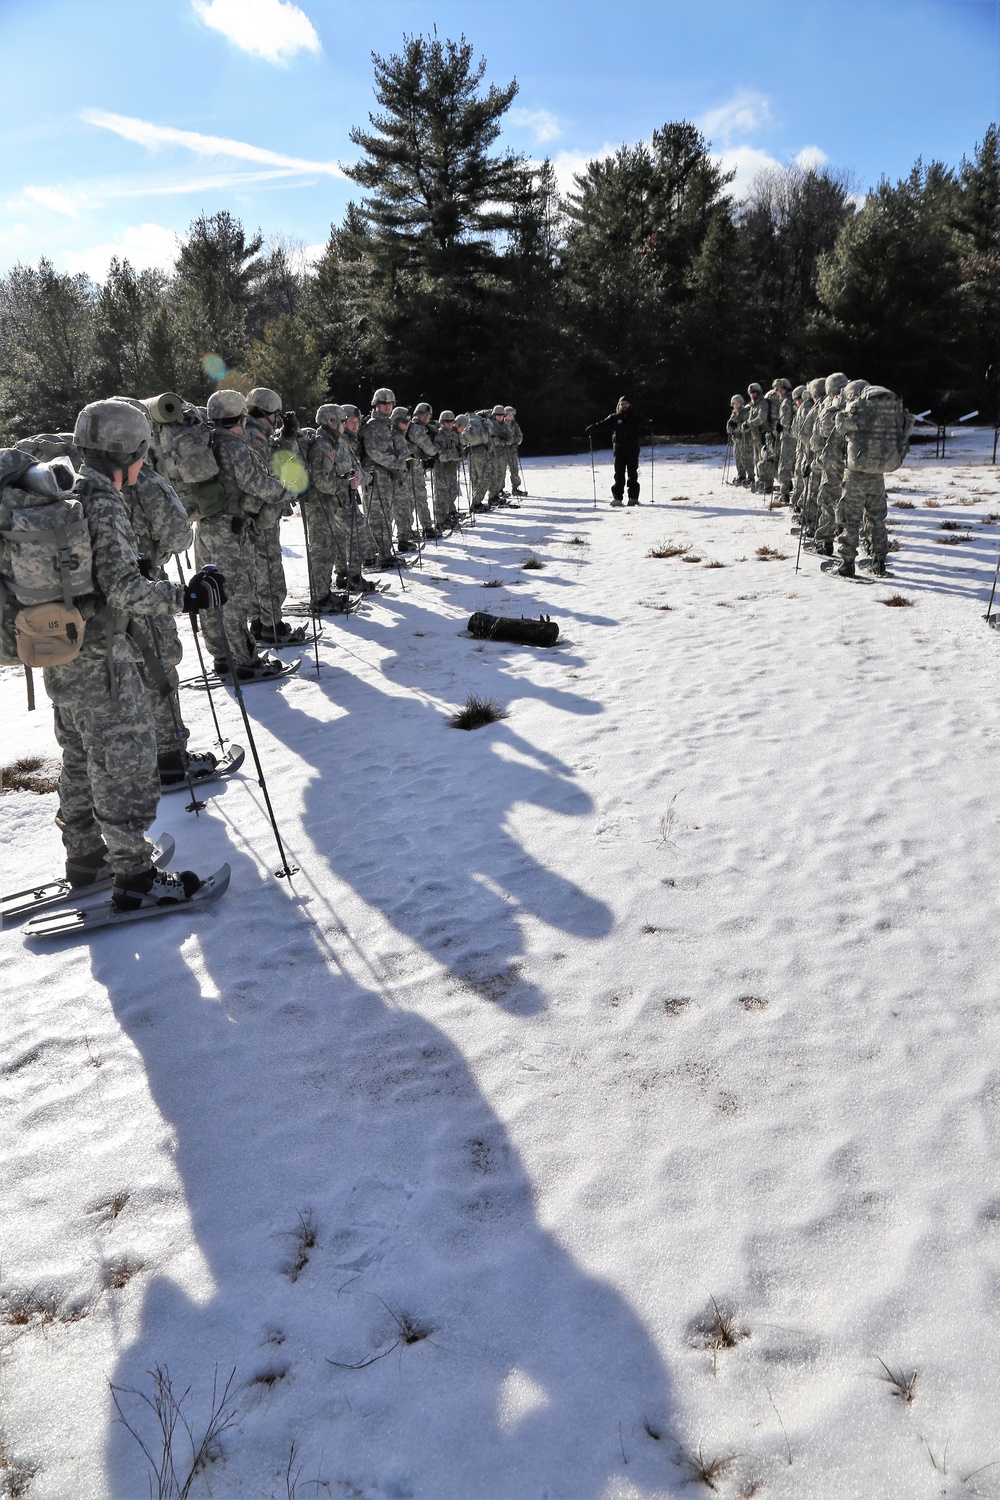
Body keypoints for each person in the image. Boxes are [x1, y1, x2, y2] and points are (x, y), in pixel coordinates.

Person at [44, 398, 215, 910]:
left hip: (62, 650)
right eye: (141, 451)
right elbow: (120, 587)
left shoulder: (69, 490)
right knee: (124, 762)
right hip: (103, 660)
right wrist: (182, 597)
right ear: (125, 452)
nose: (143, 463)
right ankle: (135, 878)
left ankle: (86, 857)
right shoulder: (102, 500)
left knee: (79, 758)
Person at [120, 450, 218, 789]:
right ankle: (170, 757)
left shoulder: (88, 480)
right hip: (145, 586)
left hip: (104, 596)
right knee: (158, 666)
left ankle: (138, 755)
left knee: (125, 670)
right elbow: (178, 536)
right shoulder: (143, 479)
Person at [196, 389, 300, 681]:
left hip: (205, 526)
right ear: (239, 415)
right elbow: (259, 485)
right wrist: (288, 489)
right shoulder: (235, 446)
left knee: (212, 593)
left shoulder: (207, 441)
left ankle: (221, 656)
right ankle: (244, 660)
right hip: (230, 528)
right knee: (234, 595)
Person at [243, 387, 303, 645]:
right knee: (269, 569)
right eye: (276, 415)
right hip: (261, 515)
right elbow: (278, 466)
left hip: (256, 514)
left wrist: (287, 436)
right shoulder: (254, 437)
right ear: (268, 413)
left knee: (259, 568)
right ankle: (272, 625)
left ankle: (259, 622)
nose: (278, 420)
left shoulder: (253, 433)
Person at [302, 404, 371, 608]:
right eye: (342, 421)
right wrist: (345, 484)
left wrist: (345, 478)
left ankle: (324, 593)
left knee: (329, 549)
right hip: (319, 506)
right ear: (333, 423)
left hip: (327, 505)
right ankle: (320, 597)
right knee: (322, 550)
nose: (344, 425)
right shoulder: (323, 446)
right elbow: (321, 481)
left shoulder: (331, 443)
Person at [811, 373, 851, 557]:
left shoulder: (835, 405)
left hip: (834, 460)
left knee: (828, 499)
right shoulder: (857, 404)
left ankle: (825, 542)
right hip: (853, 462)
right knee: (852, 503)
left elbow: (824, 428)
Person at [587, 396, 643, 506]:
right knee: (619, 474)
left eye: (626, 404)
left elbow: (646, 422)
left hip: (633, 449)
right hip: (619, 450)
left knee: (633, 474)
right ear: (619, 406)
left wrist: (650, 424)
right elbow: (602, 423)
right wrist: (592, 428)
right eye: (622, 404)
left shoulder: (635, 417)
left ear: (629, 405)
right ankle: (617, 498)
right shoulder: (614, 418)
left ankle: (633, 498)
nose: (624, 406)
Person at [407, 401, 439, 538]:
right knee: (419, 497)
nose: (427, 418)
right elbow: (427, 446)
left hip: (413, 465)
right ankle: (426, 527)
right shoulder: (416, 428)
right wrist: (436, 453)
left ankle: (408, 529)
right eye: (424, 415)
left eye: (429, 415)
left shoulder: (417, 427)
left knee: (413, 499)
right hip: (413, 467)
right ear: (417, 414)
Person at [433, 411, 464, 528]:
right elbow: (441, 455)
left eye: (452, 421)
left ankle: (448, 515)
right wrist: (455, 454)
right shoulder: (439, 436)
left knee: (453, 491)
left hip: (452, 468)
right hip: (441, 469)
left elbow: (459, 451)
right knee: (441, 494)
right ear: (442, 422)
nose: (449, 424)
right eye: (447, 421)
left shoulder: (454, 435)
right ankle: (440, 520)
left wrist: (460, 453)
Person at [726, 396, 752, 485]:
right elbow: (728, 426)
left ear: (741, 403)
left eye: (737, 403)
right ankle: (741, 476)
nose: (736, 405)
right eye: (734, 403)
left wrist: (736, 426)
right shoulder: (733, 414)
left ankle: (751, 477)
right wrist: (730, 427)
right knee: (738, 458)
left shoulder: (745, 413)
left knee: (746, 458)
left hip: (745, 440)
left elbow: (746, 427)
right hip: (736, 440)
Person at [504, 407, 525, 496]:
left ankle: (515, 488)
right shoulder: (501, 425)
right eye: (508, 414)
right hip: (502, 451)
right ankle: (498, 490)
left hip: (512, 450)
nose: (510, 416)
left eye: (512, 414)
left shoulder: (515, 425)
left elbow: (520, 436)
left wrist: (516, 441)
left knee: (514, 469)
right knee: (500, 471)